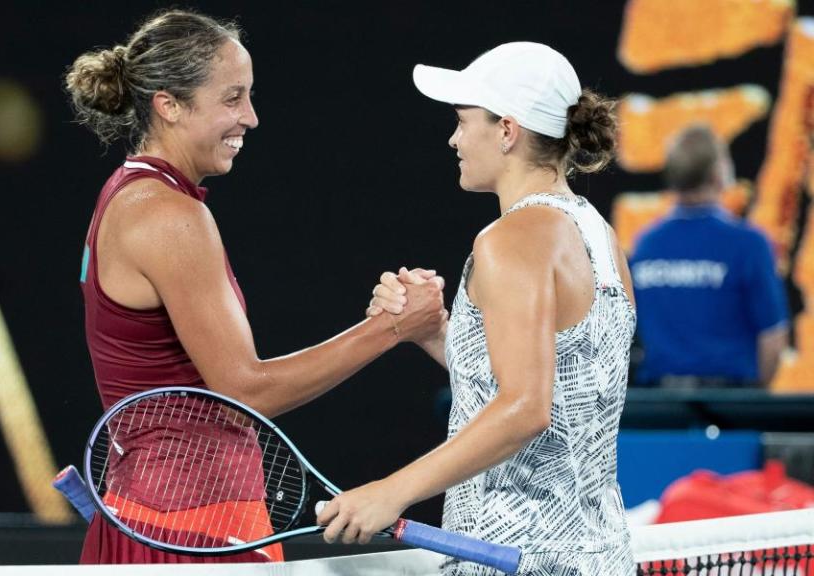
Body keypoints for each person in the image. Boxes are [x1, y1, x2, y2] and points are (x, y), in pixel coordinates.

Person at [64, 8, 446, 565]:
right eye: (232, 97)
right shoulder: (167, 214)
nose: (252, 117)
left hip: (170, 522)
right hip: (190, 535)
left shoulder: (135, 196)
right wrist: (391, 329)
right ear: (168, 105)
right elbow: (246, 391)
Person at [317, 42, 636, 575]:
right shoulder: (600, 237)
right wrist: (435, 334)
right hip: (600, 558)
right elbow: (565, 390)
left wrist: (389, 492)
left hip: (515, 561)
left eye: (464, 122)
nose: (454, 138)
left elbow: (526, 408)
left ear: (507, 131)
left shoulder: (509, 240)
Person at [630, 125, 788, 388]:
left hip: (660, 412)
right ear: (719, 172)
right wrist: (751, 399)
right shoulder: (748, 244)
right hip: (730, 408)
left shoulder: (646, 244)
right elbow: (773, 338)